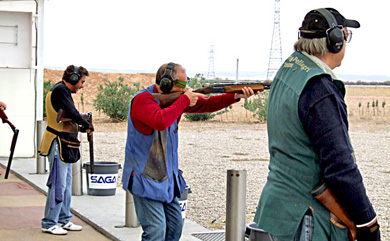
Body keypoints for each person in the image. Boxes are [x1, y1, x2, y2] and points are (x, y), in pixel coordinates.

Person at [253, 8, 381, 241]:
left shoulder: (289, 70)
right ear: (335, 41)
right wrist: (367, 222)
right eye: (345, 36)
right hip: (306, 219)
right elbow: (340, 166)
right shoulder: (319, 88)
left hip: (275, 212)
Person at [122, 62, 257, 241]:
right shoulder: (142, 100)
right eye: (183, 85)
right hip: (145, 177)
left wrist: (234, 96)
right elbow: (160, 120)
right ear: (166, 84)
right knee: (156, 230)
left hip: (165, 178)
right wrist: (185, 100)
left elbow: (207, 105)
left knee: (175, 226)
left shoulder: (175, 100)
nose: (186, 89)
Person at [39, 65, 94, 235]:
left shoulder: (61, 90)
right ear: (73, 78)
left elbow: (70, 113)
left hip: (63, 142)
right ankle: (49, 222)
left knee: (66, 184)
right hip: (57, 142)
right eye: (81, 82)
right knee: (58, 184)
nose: (82, 86)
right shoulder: (61, 91)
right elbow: (72, 112)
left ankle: (63, 219)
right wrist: (86, 124)